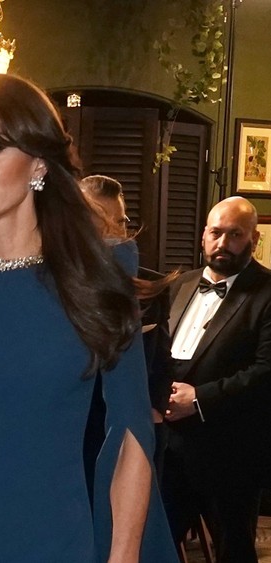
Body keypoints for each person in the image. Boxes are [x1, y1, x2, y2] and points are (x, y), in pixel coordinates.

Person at [0, 73, 178, 562]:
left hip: (56, 542)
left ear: (38, 165)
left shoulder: (96, 275)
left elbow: (132, 431)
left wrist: (122, 556)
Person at [162, 196, 271, 563]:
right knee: (157, 546)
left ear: (253, 240)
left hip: (231, 453)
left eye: (235, 234)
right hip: (167, 447)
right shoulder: (179, 285)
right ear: (203, 236)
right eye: (216, 232)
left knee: (233, 552)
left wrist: (198, 400)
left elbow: (265, 372)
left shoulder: (268, 292)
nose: (223, 243)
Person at [80, 174, 176, 478]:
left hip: (131, 439)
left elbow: (161, 361)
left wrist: (156, 413)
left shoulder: (150, 288)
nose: (112, 234)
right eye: (100, 223)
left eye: (119, 223)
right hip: (72, 438)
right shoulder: (52, 285)